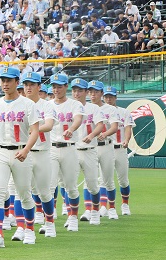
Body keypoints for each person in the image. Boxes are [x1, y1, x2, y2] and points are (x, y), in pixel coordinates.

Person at [0, 67, 40, 248]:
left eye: (9, 80)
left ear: (17, 82)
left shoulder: (28, 104)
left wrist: (26, 150)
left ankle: (29, 230)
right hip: (0, 151)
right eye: (3, 80)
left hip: (20, 151)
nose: (5, 84)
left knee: (24, 193)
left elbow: (35, 131)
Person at [22, 72, 57, 238]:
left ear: (39, 87)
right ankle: (24, 226)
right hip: (23, 153)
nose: (29, 87)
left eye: (32, 84)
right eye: (26, 84)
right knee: (23, 191)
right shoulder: (19, 104)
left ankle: (49, 223)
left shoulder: (47, 105)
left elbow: (49, 125)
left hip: (41, 151)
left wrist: (35, 128)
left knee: (44, 191)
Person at [49, 73, 84, 232]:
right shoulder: (47, 105)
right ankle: (48, 221)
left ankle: (73, 217)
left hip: (69, 147)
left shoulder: (75, 104)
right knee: (49, 186)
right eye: (54, 86)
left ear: (66, 87)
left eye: (59, 86)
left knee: (70, 186)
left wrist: (71, 128)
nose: (56, 89)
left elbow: (77, 119)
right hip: (51, 148)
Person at [70, 78, 106, 225]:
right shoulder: (68, 107)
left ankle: (95, 211)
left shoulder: (94, 108)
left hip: (89, 150)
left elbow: (100, 125)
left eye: (80, 90)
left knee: (92, 184)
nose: (76, 93)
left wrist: (91, 136)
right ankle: (72, 216)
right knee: (69, 184)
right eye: (74, 90)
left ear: (86, 92)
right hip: (72, 149)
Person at [87, 80, 119, 224]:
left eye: (96, 91)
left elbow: (114, 127)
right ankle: (89, 209)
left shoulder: (110, 109)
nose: (93, 94)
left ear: (101, 93)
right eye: (90, 91)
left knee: (107, 179)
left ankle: (111, 207)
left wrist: (104, 134)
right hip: (91, 147)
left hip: (105, 145)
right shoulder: (84, 108)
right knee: (91, 179)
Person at [102, 86, 133, 217]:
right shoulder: (99, 111)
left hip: (120, 148)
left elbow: (128, 127)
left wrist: (126, 140)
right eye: (107, 97)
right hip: (105, 148)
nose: (108, 99)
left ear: (116, 98)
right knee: (104, 179)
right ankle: (105, 206)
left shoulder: (124, 112)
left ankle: (125, 204)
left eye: (111, 97)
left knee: (123, 180)